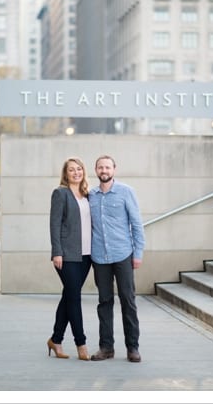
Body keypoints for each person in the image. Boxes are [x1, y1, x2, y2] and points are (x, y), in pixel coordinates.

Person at [88, 155, 145, 363]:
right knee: (104, 302)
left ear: (114, 169)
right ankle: (106, 347)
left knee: (128, 301)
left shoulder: (126, 192)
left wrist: (138, 253)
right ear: (96, 170)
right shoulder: (91, 195)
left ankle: (133, 347)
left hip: (123, 254)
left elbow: (137, 224)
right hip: (99, 257)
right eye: (100, 167)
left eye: (107, 167)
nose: (104, 170)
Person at [47, 157, 92, 361]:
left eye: (79, 169)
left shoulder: (87, 195)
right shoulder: (60, 193)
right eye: (72, 170)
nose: (76, 172)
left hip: (87, 255)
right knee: (74, 298)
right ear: (66, 174)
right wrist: (57, 251)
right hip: (66, 255)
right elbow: (54, 224)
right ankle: (80, 343)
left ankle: (55, 340)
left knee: (69, 297)